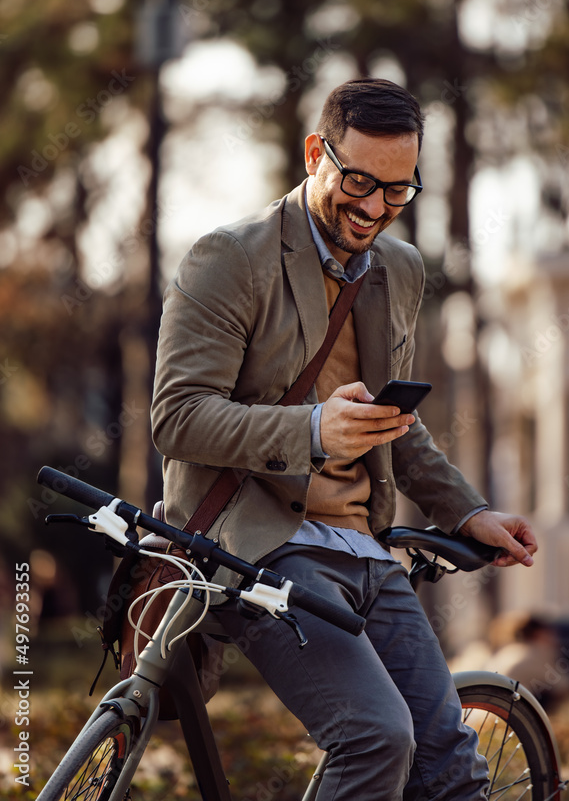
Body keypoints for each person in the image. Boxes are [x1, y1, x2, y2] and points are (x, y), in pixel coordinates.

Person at [151, 77, 538, 801]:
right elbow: (176, 417)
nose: (371, 208)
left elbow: (394, 423)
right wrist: (310, 429)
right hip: (262, 548)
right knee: (374, 736)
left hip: (366, 550)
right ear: (313, 154)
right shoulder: (229, 258)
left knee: (450, 763)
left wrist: (463, 509)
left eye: (396, 192)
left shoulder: (399, 269)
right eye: (356, 180)